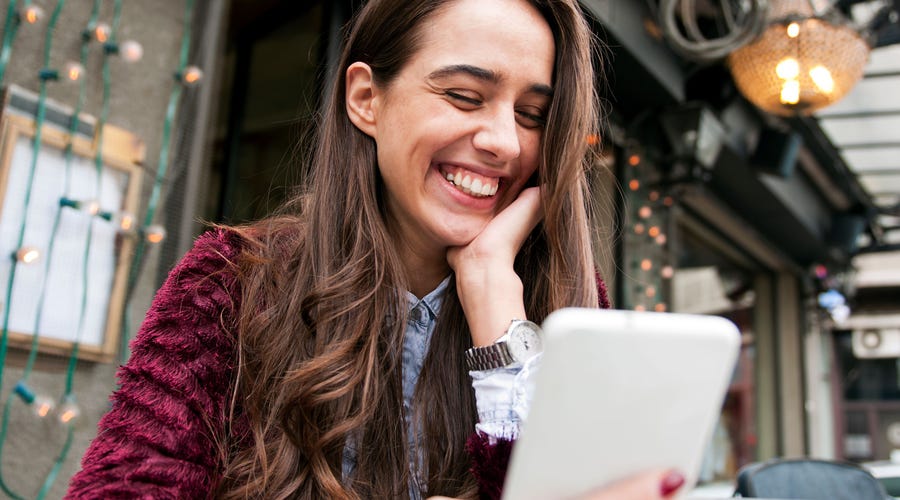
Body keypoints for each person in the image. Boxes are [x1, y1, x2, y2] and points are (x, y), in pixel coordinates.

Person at [66, 0, 686, 498]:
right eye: (464, 96)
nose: (504, 141)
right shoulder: (231, 281)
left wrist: (498, 309)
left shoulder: (568, 306)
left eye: (531, 114)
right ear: (366, 99)